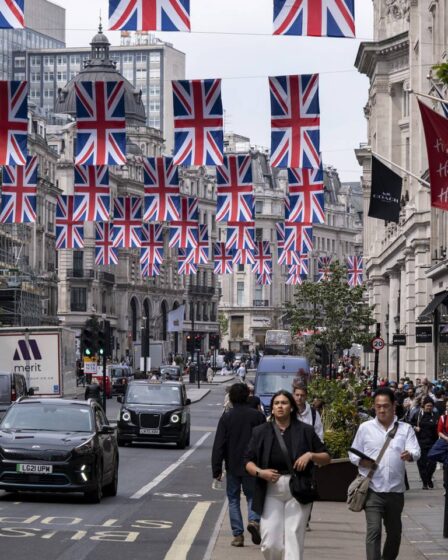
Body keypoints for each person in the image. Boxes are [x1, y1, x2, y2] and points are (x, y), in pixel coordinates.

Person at [245, 390, 330, 560]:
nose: (280, 406)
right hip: (270, 488)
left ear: (291, 407)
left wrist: (310, 455)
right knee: (270, 543)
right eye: (276, 403)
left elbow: (326, 457)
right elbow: (248, 462)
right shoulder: (260, 431)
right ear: (272, 408)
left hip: (297, 489)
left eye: (284, 403)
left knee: (294, 538)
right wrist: (261, 472)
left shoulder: (305, 431)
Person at [349, 387, 421, 560]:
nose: (381, 410)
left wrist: (409, 455)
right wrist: (361, 461)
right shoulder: (365, 428)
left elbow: (416, 450)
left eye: (386, 406)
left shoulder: (405, 429)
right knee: (374, 531)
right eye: (378, 406)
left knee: (395, 534)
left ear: (394, 406)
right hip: (372, 490)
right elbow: (352, 453)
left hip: (396, 492)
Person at [212, 383, 266, 547]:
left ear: (231, 398)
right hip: (253, 465)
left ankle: (238, 535)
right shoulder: (258, 416)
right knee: (252, 496)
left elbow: (219, 444)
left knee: (233, 499)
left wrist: (216, 469)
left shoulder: (227, 417)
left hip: (233, 465)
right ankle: (254, 521)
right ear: (247, 396)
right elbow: (265, 441)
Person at [412, 396, 439, 489]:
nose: (429, 408)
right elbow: (409, 423)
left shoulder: (435, 415)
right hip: (420, 442)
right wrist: (415, 427)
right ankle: (424, 483)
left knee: (432, 463)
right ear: (423, 406)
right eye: (427, 406)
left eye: (431, 406)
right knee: (421, 464)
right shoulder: (417, 414)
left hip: (433, 442)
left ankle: (428, 478)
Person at [437, 401, 448, 491]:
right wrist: (446, 438)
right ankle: (446, 486)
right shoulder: (443, 418)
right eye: (447, 405)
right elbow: (439, 431)